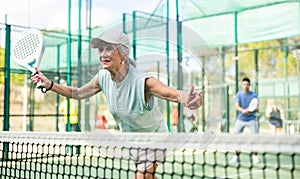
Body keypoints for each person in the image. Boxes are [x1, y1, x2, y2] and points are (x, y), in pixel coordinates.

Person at [31, 29, 202, 179]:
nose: (103, 54)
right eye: (101, 49)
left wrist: (188, 99)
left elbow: (173, 94)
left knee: (141, 177)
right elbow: (78, 93)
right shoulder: (102, 77)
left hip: (156, 138)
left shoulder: (142, 81)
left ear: (124, 54)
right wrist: (50, 85)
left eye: (109, 48)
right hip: (133, 140)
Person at [230, 77, 259, 164]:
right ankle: (236, 156)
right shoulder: (239, 94)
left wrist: (250, 110)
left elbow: (257, 108)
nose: (245, 86)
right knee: (236, 138)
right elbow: (236, 105)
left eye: (247, 84)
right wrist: (242, 110)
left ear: (249, 85)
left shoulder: (254, 95)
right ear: (242, 85)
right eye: (244, 84)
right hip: (241, 119)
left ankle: (255, 157)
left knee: (255, 139)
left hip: (252, 120)